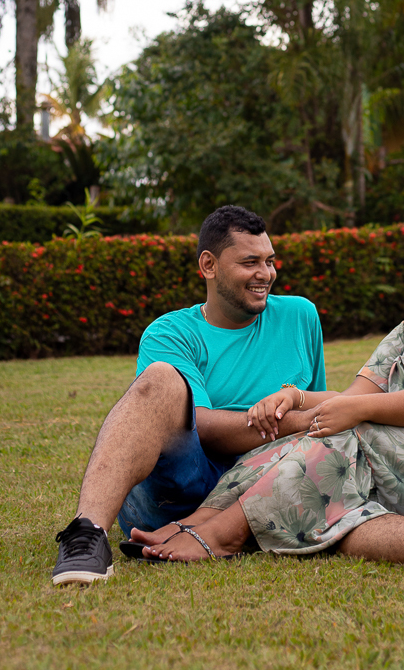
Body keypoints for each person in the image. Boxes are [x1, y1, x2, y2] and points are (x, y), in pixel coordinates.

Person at [121, 211, 404, 578]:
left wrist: (352, 410)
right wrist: (293, 397)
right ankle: (198, 521)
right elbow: (354, 394)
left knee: (350, 430)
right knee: (306, 445)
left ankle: (223, 533)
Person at [52, 204, 331, 586]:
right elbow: (206, 428)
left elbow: (313, 412)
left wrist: (310, 416)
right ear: (209, 265)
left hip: (267, 480)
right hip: (184, 488)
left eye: (270, 261)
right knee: (161, 379)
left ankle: (222, 530)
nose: (265, 274)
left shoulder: (300, 316)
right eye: (250, 262)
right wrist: (301, 418)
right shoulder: (171, 333)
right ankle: (87, 533)